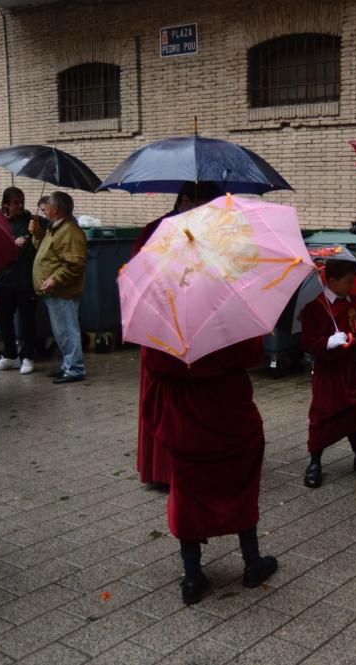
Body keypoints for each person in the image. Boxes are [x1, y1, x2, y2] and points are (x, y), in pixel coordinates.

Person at [154, 337, 278, 605]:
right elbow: (254, 355)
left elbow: (153, 364)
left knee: (187, 498)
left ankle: (192, 576)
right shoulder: (227, 312)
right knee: (241, 489)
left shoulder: (164, 324)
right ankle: (252, 563)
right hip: (232, 420)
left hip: (186, 425)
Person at [132, 182, 221, 487]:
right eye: (205, 206)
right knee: (167, 399)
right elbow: (139, 277)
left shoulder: (212, 235)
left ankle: (201, 461)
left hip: (201, 323)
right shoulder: (157, 230)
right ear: (185, 201)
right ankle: (163, 471)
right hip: (162, 325)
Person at [300, 259, 356, 488]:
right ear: (333, 281)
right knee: (323, 414)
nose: (352, 286)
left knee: (355, 411)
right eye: (348, 281)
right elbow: (308, 342)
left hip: (352, 370)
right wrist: (327, 342)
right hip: (328, 373)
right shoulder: (314, 308)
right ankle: (315, 462)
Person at [29, 191, 88, 384]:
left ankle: (75, 369)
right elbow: (46, 253)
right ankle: (68, 366)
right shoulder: (55, 229)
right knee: (61, 331)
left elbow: (75, 264)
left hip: (62, 291)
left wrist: (55, 279)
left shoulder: (69, 231)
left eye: (48, 207)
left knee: (67, 330)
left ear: (55, 209)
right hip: (54, 291)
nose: (44, 210)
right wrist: (37, 234)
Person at [0, 187, 39, 376]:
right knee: (4, 318)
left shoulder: (33, 222)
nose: (20, 205)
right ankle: (10, 355)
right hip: (4, 279)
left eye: (22, 201)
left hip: (26, 280)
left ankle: (28, 357)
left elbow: (43, 241)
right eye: (16, 202)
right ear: (6, 205)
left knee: (27, 320)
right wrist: (12, 242)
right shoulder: (0, 223)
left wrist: (35, 233)